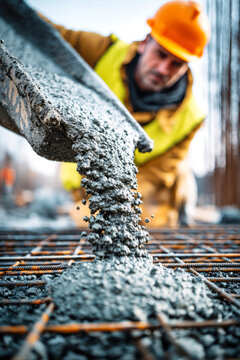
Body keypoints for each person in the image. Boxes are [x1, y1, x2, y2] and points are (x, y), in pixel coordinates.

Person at [41, 0, 210, 227]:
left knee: (178, 185)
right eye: (160, 54)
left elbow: (158, 173)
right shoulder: (100, 53)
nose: (163, 70)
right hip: (85, 187)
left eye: (176, 64)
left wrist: (120, 200)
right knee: (89, 222)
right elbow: (43, 35)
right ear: (145, 42)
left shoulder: (191, 118)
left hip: (139, 192)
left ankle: (181, 216)